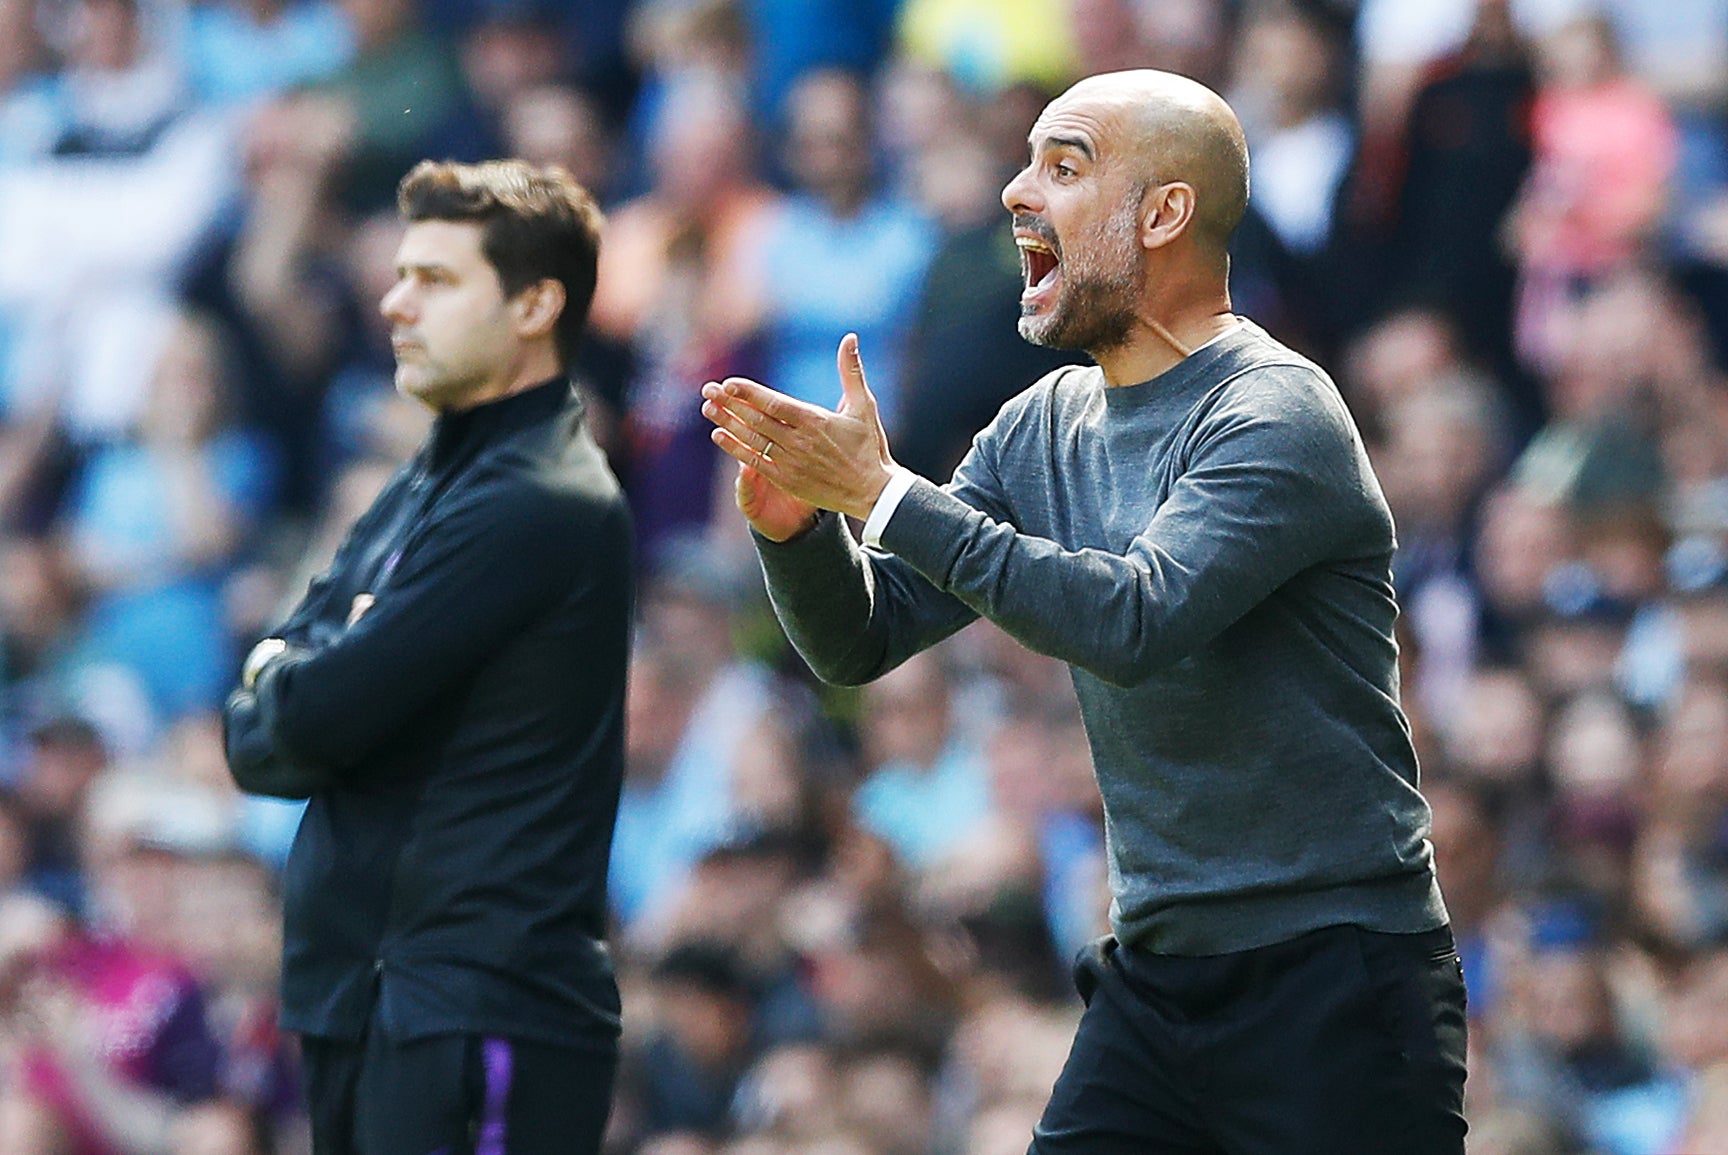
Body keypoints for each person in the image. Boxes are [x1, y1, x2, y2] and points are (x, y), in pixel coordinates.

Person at [701, 69, 1468, 1153]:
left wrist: (881, 493)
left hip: (1335, 980)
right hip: (1155, 980)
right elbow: (862, 639)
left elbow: (1133, 623)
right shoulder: (1044, 421)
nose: (1017, 193)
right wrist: (802, 528)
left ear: (1164, 215)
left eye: (1062, 168)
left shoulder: (1277, 410)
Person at [223, 159, 632, 1154]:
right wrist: (288, 675)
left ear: (536, 303)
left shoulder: (538, 498)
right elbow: (267, 703)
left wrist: (284, 677)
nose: (394, 303)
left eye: (436, 281)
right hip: (364, 997)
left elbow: (311, 709)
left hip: (472, 1009)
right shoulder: (428, 479)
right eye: (400, 274)